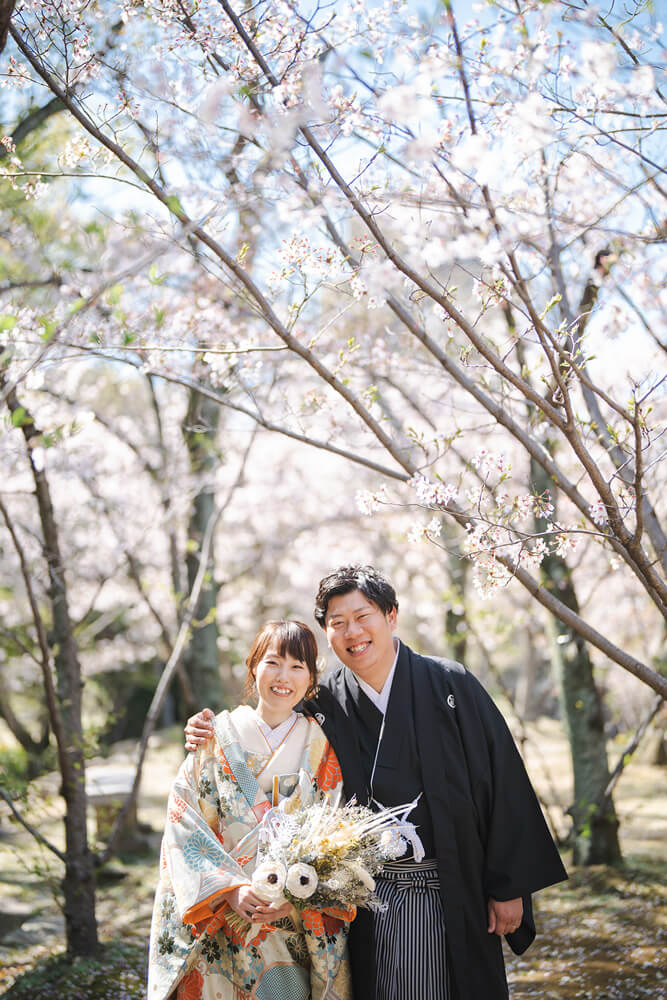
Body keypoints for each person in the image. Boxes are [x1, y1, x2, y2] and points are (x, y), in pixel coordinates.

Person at [185, 566, 568, 1000]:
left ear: (392, 616)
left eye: (362, 616)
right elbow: (269, 726)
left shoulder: (450, 684)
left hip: (452, 883)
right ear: (326, 633)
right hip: (358, 899)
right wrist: (211, 730)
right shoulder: (322, 699)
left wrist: (508, 886)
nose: (352, 632)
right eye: (337, 623)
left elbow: (502, 783)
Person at [148, 619, 353, 1000]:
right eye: (273, 662)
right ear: (253, 665)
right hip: (222, 922)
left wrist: (291, 900)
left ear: (311, 680)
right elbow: (183, 821)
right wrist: (230, 890)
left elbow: (334, 831)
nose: (283, 676)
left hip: (288, 927)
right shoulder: (215, 738)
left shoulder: (321, 747)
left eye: (297, 667)